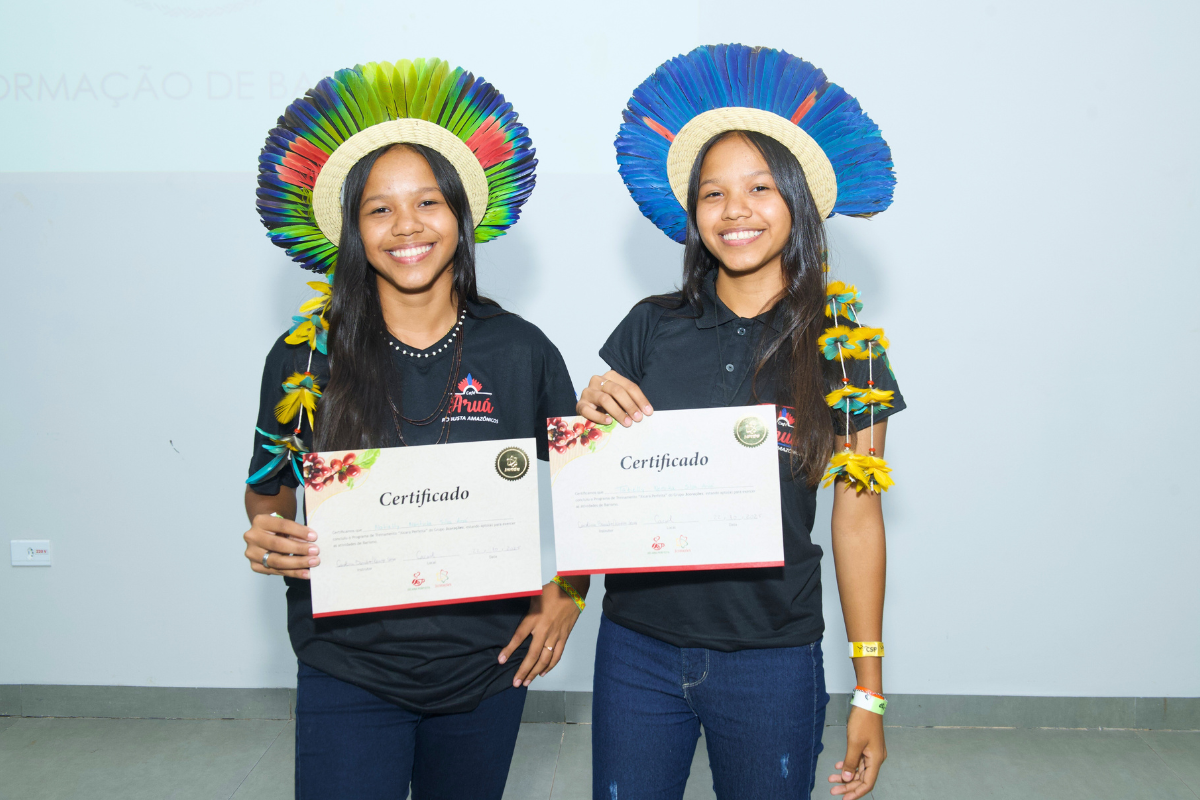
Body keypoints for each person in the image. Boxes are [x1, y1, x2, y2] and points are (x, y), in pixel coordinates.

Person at [238, 58, 589, 800]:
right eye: (379, 210)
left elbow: (592, 489)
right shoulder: (303, 355)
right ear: (351, 230)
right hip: (347, 665)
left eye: (427, 203)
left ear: (461, 216)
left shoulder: (521, 350)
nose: (407, 227)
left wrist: (570, 592)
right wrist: (269, 532)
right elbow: (266, 493)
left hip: (487, 666)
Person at [580, 45, 903, 799]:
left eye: (759, 187)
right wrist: (589, 425)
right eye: (714, 194)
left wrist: (869, 691)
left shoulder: (847, 353)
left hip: (772, 659)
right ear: (692, 214)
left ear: (796, 202)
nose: (735, 211)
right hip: (637, 648)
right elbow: (602, 492)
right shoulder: (648, 327)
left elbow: (858, 523)